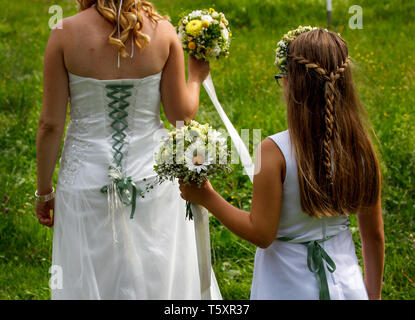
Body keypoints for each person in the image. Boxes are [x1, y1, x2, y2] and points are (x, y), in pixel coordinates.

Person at [179, 28, 385, 300]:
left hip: (286, 287)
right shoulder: (361, 147)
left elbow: (261, 233)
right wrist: (372, 295)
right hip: (348, 287)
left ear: (289, 83)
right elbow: (374, 236)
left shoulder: (273, 151)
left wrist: (207, 196)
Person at [35, 0, 221, 299]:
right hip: (151, 177)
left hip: (85, 179)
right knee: (155, 269)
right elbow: (180, 118)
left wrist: (44, 192)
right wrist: (196, 77)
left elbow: (50, 125)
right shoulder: (163, 31)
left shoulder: (63, 32)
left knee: (91, 271)